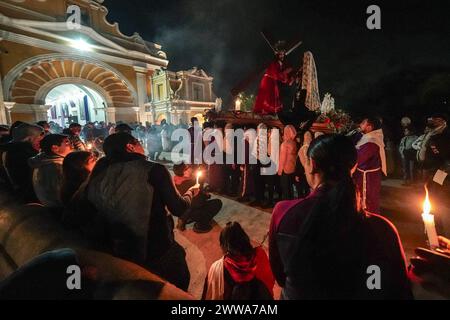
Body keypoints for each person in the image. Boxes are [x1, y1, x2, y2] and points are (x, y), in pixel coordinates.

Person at [269, 134, 412, 299]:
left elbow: (281, 276)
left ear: (312, 165)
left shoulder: (284, 213)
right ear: (353, 167)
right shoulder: (382, 229)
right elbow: (395, 287)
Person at [64, 132, 200, 291]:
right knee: (177, 284)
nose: (142, 146)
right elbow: (179, 208)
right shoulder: (154, 169)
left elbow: (73, 213)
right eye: (139, 142)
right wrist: (191, 192)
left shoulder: (98, 171)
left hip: (118, 250)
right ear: (130, 146)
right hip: (156, 248)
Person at [203, 221, 274, 300]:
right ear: (245, 239)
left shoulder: (217, 269)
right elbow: (269, 280)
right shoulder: (260, 254)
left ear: (224, 246)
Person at [0, 123, 44, 202]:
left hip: (15, 194)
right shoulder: (25, 153)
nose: (41, 144)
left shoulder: (9, 149)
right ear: (29, 139)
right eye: (39, 140)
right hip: (29, 197)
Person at [172, 163, 222, 233]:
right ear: (184, 172)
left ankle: (185, 218)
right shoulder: (191, 184)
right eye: (187, 167)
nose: (190, 167)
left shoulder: (176, 180)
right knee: (217, 203)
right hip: (192, 210)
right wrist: (205, 196)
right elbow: (198, 202)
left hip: (183, 209)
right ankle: (200, 225)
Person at [28, 134, 73, 208]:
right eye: (67, 143)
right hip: (56, 209)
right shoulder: (54, 167)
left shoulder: (44, 160)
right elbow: (59, 194)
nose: (72, 145)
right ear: (55, 148)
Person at [353, 117, 386, 214]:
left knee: (368, 200)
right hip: (365, 175)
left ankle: (369, 220)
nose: (360, 125)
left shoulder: (371, 141)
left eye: (363, 123)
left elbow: (359, 158)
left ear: (369, 127)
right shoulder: (367, 138)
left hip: (368, 178)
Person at [253, 41, 293, 115]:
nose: (282, 56)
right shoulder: (274, 63)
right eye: (280, 54)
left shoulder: (281, 63)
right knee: (267, 98)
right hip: (268, 81)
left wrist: (289, 80)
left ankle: (270, 113)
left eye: (283, 54)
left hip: (272, 81)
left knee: (273, 98)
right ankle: (264, 113)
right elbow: (276, 74)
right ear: (277, 54)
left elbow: (282, 74)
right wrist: (285, 73)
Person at [278, 125, 298, 200]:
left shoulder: (285, 144)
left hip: (285, 170)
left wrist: (280, 171)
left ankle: (286, 206)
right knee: (290, 188)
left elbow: (282, 159)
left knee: (285, 189)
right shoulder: (294, 142)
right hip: (292, 169)